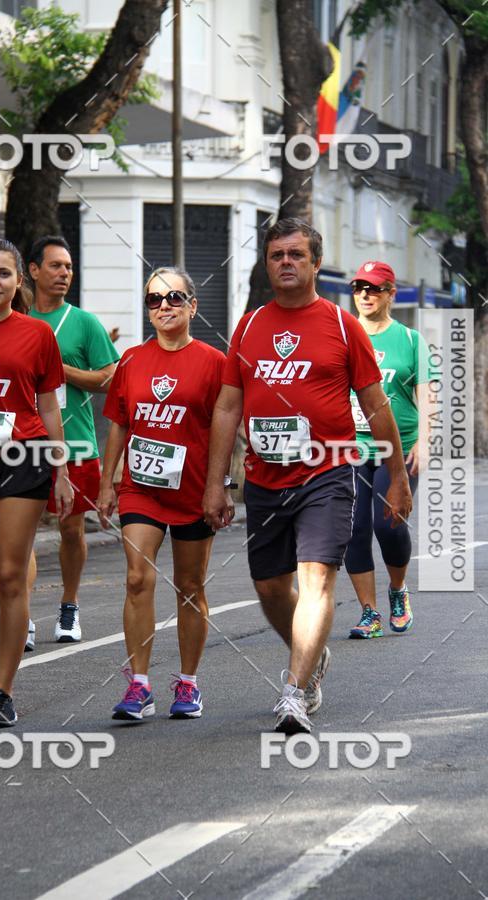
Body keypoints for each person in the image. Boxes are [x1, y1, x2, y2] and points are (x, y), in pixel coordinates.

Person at [203, 218, 412, 735]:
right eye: (277, 255)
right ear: (267, 263)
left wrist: (397, 476)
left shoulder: (341, 325)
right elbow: (228, 407)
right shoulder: (249, 326)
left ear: (316, 263)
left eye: (296, 254)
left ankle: (295, 691)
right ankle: (312, 655)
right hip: (265, 478)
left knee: (316, 577)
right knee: (270, 588)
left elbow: (375, 404)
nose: (286, 263)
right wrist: (216, 483)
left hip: (328, 472)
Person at [96, 267, 227, 721]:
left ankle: (188, 683)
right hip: (141, 490)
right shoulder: (132, 360)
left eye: (174, 298)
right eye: (154, 299)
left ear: (193, 305)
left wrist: (220, 487)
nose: (164, 306)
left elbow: (227, 426)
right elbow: (119, 423)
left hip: (193, 490)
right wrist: (107, 482)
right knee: (137, 578)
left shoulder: (214, 362)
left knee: (190, 587)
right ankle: (139, 685)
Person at [0, 238, 73, 728]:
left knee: (9, 575)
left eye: (4, 273)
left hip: (25, 456)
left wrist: (62, 470)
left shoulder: (37, 334)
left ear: (18, 280)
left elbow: (49, 407)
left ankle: (3, 691)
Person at [27, 236, 119, 642]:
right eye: (55, 265)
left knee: (71, 530)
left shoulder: (84, 323)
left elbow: (110, 378)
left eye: (68, 266)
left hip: (76, 443)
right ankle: (21, 614)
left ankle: (69, 605)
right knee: (21, 533)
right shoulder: (18, 320)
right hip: (24, 443)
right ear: (33, 270)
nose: (64, 273)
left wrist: (59, 370)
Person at [346, 261, 430, 638]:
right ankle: (370, 612)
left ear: (391, 294)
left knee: (388, 524)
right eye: (359, 287)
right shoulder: (343, 334)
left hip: (398, 448)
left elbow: (427, 396)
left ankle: (398, 589)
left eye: (374, 288)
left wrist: (424, 442)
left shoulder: (410, 340)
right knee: (354, 528)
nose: (365, 294)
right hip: (351, 447)